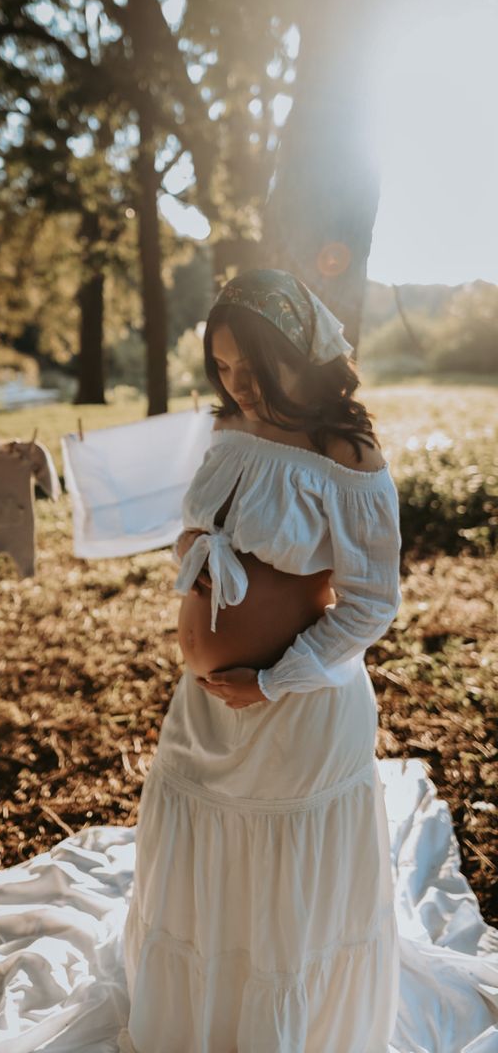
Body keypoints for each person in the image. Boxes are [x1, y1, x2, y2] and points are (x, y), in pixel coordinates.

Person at [118, 269, 402, 1053]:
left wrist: (275, 680)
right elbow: (203, 526)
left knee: (277, 893)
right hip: (205, 710)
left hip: (296, 712)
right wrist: (195, 553)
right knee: (206, 876)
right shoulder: (229, 430)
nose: (236, 383)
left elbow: (373, 602)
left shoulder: (344, 450)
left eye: (251, 365)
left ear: (296, 352)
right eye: (222, 366)